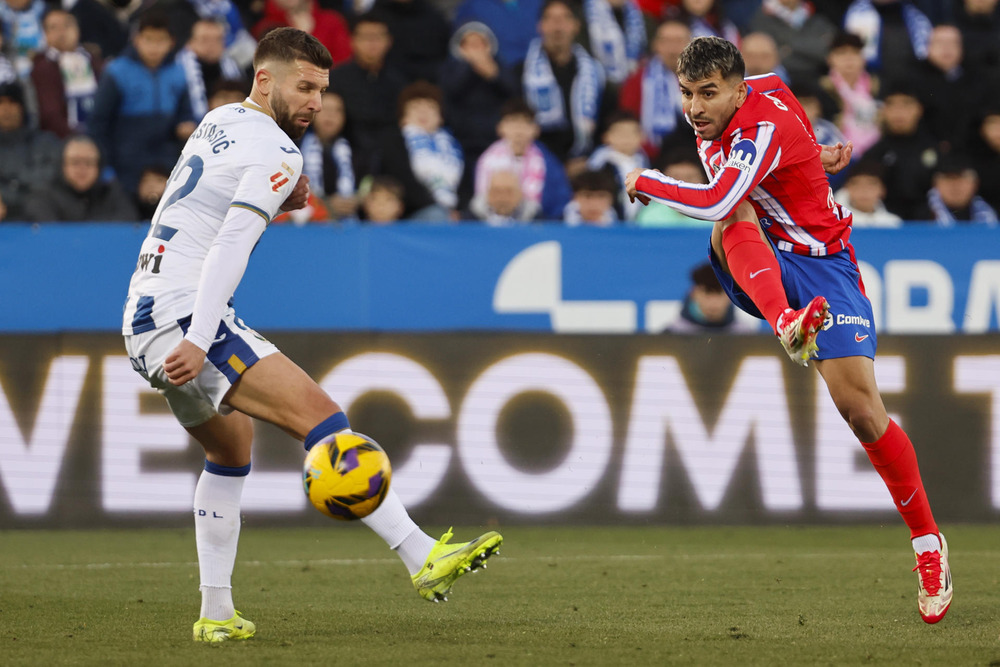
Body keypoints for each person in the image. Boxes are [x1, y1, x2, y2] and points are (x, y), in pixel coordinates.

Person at [121, 27, 502, 643]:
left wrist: (283, 196)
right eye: (304, 87)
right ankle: (420, 554)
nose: (316, 103)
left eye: (322, 90)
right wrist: (198, 332)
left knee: (229, 453)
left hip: (140, 310)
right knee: (324, 420)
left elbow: (209, 200)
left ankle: (215, 614)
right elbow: (230, 241)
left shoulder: (220, 118)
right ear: (264, 79)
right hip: (184, 313)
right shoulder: (279, 150)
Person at [624, 36, 951, 624]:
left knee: (861, 410)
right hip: (763, 260)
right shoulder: (768, 94)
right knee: (735, 214)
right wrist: (816, 155)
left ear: (738, 89)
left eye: (708, 93)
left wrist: (646, 181)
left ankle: (929, 545)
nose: (695, 108)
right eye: (686, 94)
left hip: (826, 264)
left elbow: (720, 187)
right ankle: (786, 323)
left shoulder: (754, 127)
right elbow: (770, 154)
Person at [88, 11, 195, 194]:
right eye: (148, 39)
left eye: (160, 40)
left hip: (166, 161)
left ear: (171, 42)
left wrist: (184, 125)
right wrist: (105, 166)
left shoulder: (178, 72)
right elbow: (99, 122)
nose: (154, 46)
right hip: (126, 163)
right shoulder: (117, 72)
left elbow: (185, 113)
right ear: (137, 40)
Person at [514, 0, 615, 171]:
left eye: (564, 19)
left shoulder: (595, 72)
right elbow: (518, 123)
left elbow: (607, 121)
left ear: (576, 26)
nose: (557, 26)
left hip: (587, 163)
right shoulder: (522, 72)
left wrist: (587, 161)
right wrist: (559, 165)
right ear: (540, 26)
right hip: (536, 162)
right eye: (551, 19)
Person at [328, 11, 407, 179]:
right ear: (353, 41)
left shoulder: (399, 82)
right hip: (348, 155)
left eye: (378, 37)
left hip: (392, 161)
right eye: (365, 37)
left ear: (389, 41)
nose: (372, 44)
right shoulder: (336, 79)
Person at [377, 81, 464, 220]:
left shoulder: (453, 145)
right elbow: (404, 183)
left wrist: (458, 210)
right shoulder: (394, 142)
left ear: (440, 117)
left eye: (430, 107)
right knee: (437, 216)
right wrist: (440, 208)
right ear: (403, 117)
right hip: (411, 213)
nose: (423, 112)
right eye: (415, 106)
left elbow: (466, 186)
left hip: (452, 212)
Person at [475, 97, 572, 221]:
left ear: (536, 129)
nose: (519, 130)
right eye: (513, 122)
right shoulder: (487, 160)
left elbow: (559, 202)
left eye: (525, 123)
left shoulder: (549, 163)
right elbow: (481, 200)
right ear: (500, 128)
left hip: (538, 226)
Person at [618, 18, 693, 160]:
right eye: (666, 41)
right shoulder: (638, 79)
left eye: (679, 41)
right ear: (655, 45)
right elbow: (627, 119)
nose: (673, 49)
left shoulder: (706, 79)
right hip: (648, 155)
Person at [25, 135, 138, 222]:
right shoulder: (43, 197)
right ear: (62, 165)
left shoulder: (113, 194)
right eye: (75, 162)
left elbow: (127, 224)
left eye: (89, 163)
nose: (82, 169)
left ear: (99, 166)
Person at [31, 8, 102, 138]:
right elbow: (50, 114)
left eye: (67, 25)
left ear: (77, 29)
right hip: (61, 139)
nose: (61, 32)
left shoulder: (94, 62)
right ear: (45, 34)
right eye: (54, 27)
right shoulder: (42, 69)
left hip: (99, 134)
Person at [0, 80, 63, 221]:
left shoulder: (46, 142)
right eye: (1, 103)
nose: (6, 109)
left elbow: (55, 179)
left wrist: (12, 184)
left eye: (12, 102)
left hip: (43, 221)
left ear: (22, 107)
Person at [299, 90, 358, 221]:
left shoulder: (358, 151)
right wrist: (325, 204)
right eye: (325, 109)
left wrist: (356, 201)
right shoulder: (294, 148)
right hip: (306, 222)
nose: (330, 115)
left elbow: (368, 186)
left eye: (337, 110)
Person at [177, 18, 246, 122]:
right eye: (204, 39)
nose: (211, 45)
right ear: (190, 42)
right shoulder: (178, 71)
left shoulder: (235, 69)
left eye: (218, 39)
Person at [586, 110, 648, 221]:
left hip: (639, 222)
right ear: (606, 137)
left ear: (642, 136)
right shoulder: (601, 163)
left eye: (632, 133)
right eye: (620, 133)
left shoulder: (644, 162)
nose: (626, 138)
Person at [670, 261, 762, 333]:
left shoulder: (746, 335)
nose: (714, 301)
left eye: (719, 293)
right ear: (694, 294)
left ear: (731, 295)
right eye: (707, 293)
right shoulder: (671, 335)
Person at [913, 153, 999, 226]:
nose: (955, 186)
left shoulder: (992, 217)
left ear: (975, 183)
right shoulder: (919, 220)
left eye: (962, 178)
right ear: (935, 184)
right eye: (948, 179)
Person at [834, 159, 903, 227]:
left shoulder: (893, 224)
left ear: (882, 189)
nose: (864, 190)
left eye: (871, 184)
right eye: (856, 184)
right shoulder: (834, 223)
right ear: (846, 188)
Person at [465, 168, 540, 224]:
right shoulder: (472, 217)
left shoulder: (536, 218)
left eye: (509, 192)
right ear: (488, 194)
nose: (502, 198)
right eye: (497, 192)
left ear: (520, 194)